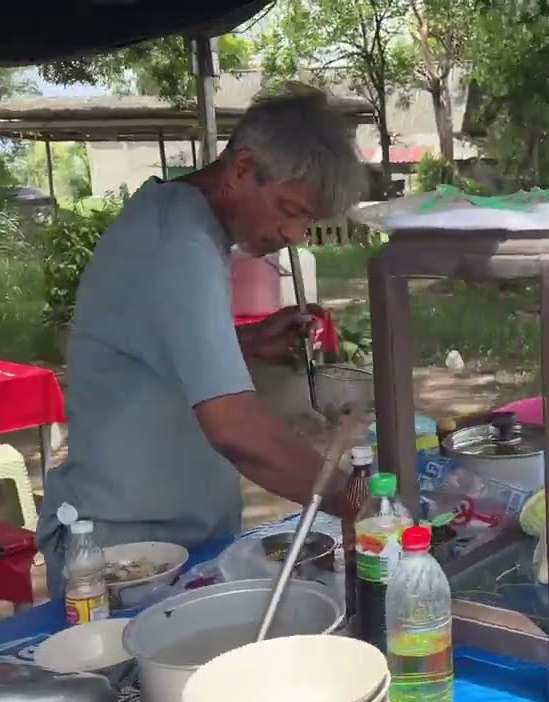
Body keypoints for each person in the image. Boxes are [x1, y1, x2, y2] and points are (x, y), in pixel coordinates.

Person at [37, 93, 368, 597]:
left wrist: (245, 342)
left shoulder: (177, 220)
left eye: (308, 220)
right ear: (242, 169)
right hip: (129, 556)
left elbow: (152, 343)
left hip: (171, 541)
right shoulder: (181, 245)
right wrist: (352, 497)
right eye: (289, 210)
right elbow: (234, 427)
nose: (294, 234)